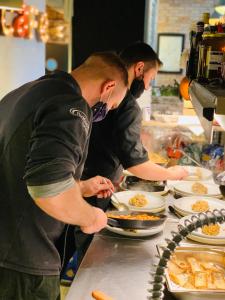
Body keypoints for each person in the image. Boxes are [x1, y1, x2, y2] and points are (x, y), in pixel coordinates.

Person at [0, 52, 128, 300]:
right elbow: (50, 188)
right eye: (111, 106)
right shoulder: (70, 105)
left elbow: (19, 168)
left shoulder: (27, 91)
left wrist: (79, 187)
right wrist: (91, 217)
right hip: (24, 260)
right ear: (108, 87)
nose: (105, 112)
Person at [69, 42, 188, 272]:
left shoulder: (96, 97)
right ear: (140, 68)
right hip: (91, 188)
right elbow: (136, 163)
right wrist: (172, 173)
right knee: (89, 260)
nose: (148, 85)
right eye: (150, 78)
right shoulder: (126, 105)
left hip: (82, 181)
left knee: (72, 247)